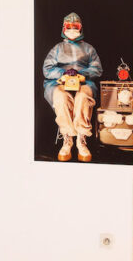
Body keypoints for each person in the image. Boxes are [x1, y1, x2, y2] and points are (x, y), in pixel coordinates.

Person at [42, 12, 102, 162]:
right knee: (60, 97)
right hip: (59, 82)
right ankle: (67, 139)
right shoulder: (57, 49)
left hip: (83, 81)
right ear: (64, 28)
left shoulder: (89, 49)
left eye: (76, 27)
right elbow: (47, 69)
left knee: (83, 96)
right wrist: (62, 75)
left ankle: (81, 139)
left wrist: (84, 75)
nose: (72, 30)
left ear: (81, 28)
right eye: (69, 27)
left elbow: (97, 68)